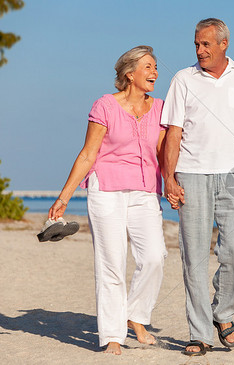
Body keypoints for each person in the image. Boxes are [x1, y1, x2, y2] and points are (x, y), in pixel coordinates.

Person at [161, 18, 234, 356]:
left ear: (224, 44)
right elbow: (173, 134)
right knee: (194, 258)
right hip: (191, 175)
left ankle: (222, 313)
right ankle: (199, 334)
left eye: (206, 44)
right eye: (196, 44)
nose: (200, 50)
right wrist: (169, 178)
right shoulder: (183, 79)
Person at [48, 45, 170, 355]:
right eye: (148, 67)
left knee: (154, 256)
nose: (155, 72)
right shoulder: (105, 106)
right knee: (112, 263)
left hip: (145, 191)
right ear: (130, 74)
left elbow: (162, 153)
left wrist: (173, 183)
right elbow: (89, 153)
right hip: (107, 190)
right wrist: (64, 197)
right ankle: (113, 335)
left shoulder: (160, 108)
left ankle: (136, 316)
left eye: (155, 66)